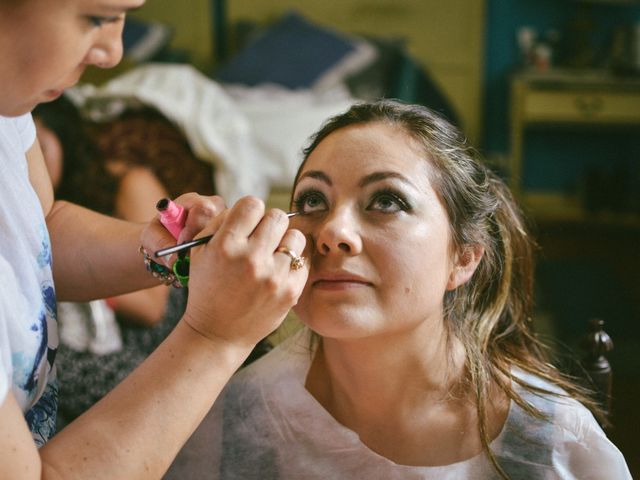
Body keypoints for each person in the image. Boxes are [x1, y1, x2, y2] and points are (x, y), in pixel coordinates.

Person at [167, 99, 632, 479]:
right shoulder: (230, 418)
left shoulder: (553, 444)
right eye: (313, 200)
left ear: (464, 257)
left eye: (386, 201)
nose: (333, 231)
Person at [0, 1, 308, 478]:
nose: (113, 53)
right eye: (98, 17)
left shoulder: (8, 108)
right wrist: (217, 337)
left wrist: (162, 250)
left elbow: (39, 232)